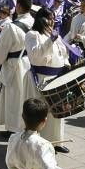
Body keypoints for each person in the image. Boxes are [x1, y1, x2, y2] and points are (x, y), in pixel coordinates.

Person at [23, 8, 71, 153]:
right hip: (40, 78)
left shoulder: (53, 34)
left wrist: (67, 61)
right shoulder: (32, 34)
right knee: (40, 112)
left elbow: (63, 53)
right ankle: (40, 144)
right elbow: (35, 56)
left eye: (53, 18)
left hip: (56, 77)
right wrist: (50, 41)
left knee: (57, 112)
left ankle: (56, 141)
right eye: (49, 18)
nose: (52, 21)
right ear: (41, 19)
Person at [0, 0, 35, 135]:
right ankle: (25, 125)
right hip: (29, 63)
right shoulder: (35, 22)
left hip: (14, 64)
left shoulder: (11, 27)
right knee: (26, 96)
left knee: (14, 97)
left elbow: (1, 49)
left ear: (19, 6)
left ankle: (13, 129)